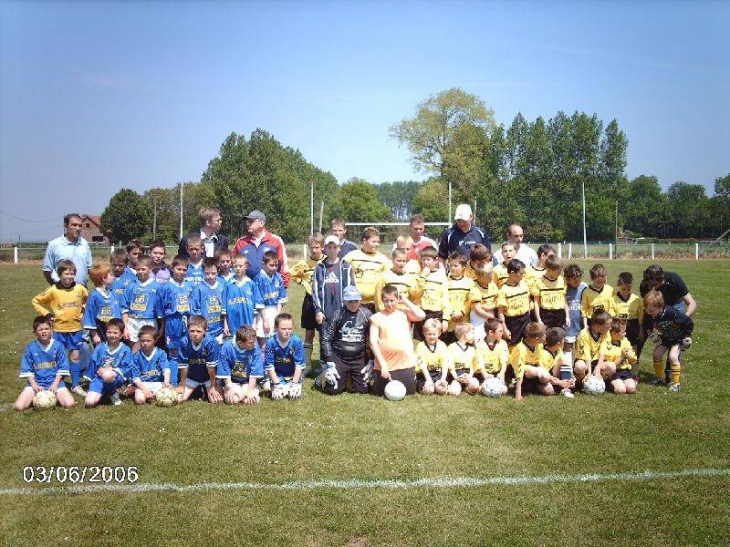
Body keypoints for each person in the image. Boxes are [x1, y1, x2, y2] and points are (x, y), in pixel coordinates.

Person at [32, 259, 89, 396]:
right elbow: (36, 301)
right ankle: (53, 383)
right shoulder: (53, 290)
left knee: (75, 357)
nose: (69, 277)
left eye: (72, 274)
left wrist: (82, 311)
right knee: (56, 358)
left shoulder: (80, 288)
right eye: (66, 274)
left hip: (75, 329)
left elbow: (88, 300)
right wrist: (47, 314)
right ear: (59, 274)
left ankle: (75, 385)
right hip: (58, 330)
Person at [369, 284, 425, 397]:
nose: (389, 304)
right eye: (386, 301)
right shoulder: (377, 317)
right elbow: (372, 343)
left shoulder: (404, 313)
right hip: (385, 365)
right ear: (382, 301)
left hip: (405, 363)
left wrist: (406, 301)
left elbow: (421, 315)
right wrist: (383, 365)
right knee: (381, 392)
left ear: (397, 300)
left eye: (392, 300)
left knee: (409, 391)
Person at [312, 235, 356, 366]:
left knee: (342, 336)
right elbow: (315, 291)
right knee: (325, 337)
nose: (332, 250)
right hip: (326, 311)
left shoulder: (346, 267)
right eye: (329, 247)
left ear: (339, 248)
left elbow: (351, 288)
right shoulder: (320, 268)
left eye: (335, 247)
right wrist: (318, 310)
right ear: (325, 249)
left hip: (342, 309)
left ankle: (341, 363)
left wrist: (349, 308)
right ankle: (324, 364)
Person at [14, 316, 76, 410]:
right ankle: (36, 397)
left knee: (70, 404)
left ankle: (54, 397)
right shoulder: (31, 348)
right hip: (37, 383)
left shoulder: (58, 346)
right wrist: (34, 386)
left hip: (55, 383)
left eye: (47, 329)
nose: (44, 331)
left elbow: (62, 367)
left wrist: (55, 385)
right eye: (40, 329)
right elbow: (27, 369)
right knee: (19, 407)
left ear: (52, 330)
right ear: (35, 332)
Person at [320, 286, 373, 395]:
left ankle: (349, 379)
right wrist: (330, 361)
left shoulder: (367, 314)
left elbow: (374, 339)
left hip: (359, 358)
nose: (354, 304)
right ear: (343, 300)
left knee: (363, 390)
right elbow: (327, 338)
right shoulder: (338, 314)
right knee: (333, 390)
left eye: (356, 301)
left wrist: (371, 360)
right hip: (340, 357)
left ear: (360, 300)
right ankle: (321, 377)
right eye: (350, 301)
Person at [643, 290, 694, 392]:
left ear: (660, 307)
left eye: (652, 310)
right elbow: (647, 325)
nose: (649, 312)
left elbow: (688, 322)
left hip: (677, 338)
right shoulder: (649, 313)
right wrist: (651, 334)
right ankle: (659, 378)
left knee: (673, 357)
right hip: (665, 337)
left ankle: (676, 383)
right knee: (656, 354)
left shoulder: (671, 313)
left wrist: (686, 337)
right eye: (647, 310)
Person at [289, 233, 326, 374]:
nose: (314, 250)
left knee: (325, 334)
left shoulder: (327, 262)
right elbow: (291, 273)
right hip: (310, 301)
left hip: (324, 301)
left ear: (322, 247)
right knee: (309, 333)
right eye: (312, 247)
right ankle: (308, 366)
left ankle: (324, 365)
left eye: (317, 247)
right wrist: (301, 282)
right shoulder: (304, 264)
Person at [158, 255, 193, 385]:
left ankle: (187, 380)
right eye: (179, 269)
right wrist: (163, 325)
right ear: (172, 269)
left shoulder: (190, 285)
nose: (181, 272)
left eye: (184, 270)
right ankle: (172, 382)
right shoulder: (166, 287)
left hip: (188, 322)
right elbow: (160, 308)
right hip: (173, 322)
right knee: (173, 352)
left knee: (187, 350)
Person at [83, 318, 133, 407]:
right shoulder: (100, 348)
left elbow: (127, 368)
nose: (111, 335)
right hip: (99, 378)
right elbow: (94, 364)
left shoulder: (125, 350)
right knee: (89, 402)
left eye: (115, 333)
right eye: (109, 332)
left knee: (108, 375)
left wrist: (112, 371)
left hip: (115, 379)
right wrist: (100, 371)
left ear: (121, 335)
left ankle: (113, 392)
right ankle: (105, 393)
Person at [233, 209, 290, 286]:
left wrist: (284, 284)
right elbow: (233, 264)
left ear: (261, 223)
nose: (247, 224)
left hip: (270, 288)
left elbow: (283, 265)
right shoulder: (240, 242)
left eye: (251, 221)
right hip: (247, 289)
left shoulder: (276, 240)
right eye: (247, 221)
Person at [343, 226, 392, 312]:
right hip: (355, 303)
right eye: (373, 241)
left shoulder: (383, 259)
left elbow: (391, 276)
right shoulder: (351, 256)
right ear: (364, 241)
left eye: (378, 242)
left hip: (375, 304)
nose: (376, 244)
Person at [121, 256, 163, 353]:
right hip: (133, 321)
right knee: (134, 350)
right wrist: (125, 327)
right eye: (138, 269)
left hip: (149, 321)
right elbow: (124, 308)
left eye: (143, 269)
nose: (141, 271)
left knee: (148, 349)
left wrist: (162, 328)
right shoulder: (131, 286)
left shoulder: (157, 287)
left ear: (150, 269)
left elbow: (161, 311)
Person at [177, 315, 222, 403]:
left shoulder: (211, 343)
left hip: (208, 378)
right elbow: (184, 366)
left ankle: (209, 388)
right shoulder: (184, 342)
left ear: (205, 331)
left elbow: (211, 369)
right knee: (179, 399)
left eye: (198, 331)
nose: (195, 334)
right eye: (192, 331)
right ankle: (197, 390)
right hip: (192, 377)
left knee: (216, 400)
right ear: (188, 330)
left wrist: (213, 386)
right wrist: (182, 385)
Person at [218, 325, 264, 405]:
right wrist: (230, 386)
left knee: (251, 401)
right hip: (232, 382)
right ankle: (230, 390)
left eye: (255, 341)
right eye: (251, 343)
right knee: (233, 400)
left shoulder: (255, 347)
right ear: (240, 343)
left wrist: (250, 390)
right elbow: (224, 370)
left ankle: (253, 389)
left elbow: (255, 371)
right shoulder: (227, 347)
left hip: (248, 381)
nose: (254, 344)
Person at [412, 246, 450, 341]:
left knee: (436, 340)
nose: (425, 262)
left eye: (428, 260)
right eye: (423, 259)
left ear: (436, 260)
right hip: (422, 313)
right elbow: (415, 293)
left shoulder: (441, 275)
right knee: (419, 341)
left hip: (437, 313)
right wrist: (423, 277)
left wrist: (445, 319)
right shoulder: (418, 274)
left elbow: (445, 297)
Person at [43, 213, 92, 286]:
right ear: (65, 226)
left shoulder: (84, 244)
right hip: (62, 291)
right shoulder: (54, 245)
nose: (78, 228)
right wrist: (56, 286)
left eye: (80, 226)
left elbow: (89, 268)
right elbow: (47, 271)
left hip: (81, 290)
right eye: (74, 225)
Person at [265, 313, 306, 400]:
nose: (287, 331)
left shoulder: (297, 341)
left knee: (294, 395)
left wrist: (294, 383)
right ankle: (275, 383)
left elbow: (299, 366)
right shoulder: (270, 342)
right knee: (278, 396)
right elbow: (270, 366)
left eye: (290, 328)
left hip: (293, 374)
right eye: (283, 329)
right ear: (276, 328)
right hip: (278, 375)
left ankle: (296, 383)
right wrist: (276, 384)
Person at [222, 254, 262, 339]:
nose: (238, 268)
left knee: (247, 342)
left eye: (240, 266)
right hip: (232, 322)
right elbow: (224, 308)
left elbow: (256, 306)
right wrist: (225, 325)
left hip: (248, 320)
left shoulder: (251, 284)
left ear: (246, 266)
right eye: (235, 266)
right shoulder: (228, 284)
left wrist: (254, 323)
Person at [254, 251, 288, 350]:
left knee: (275, 342)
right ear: (263, 264)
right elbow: (259, 302)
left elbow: (280, 300)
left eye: (276, 265)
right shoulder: (259, 279)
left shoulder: (278, 277)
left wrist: (277, 317)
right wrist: (265, 321)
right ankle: (264, 364)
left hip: (275, 311)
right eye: (271, 265)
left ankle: (273, 364)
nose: (274, 268)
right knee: (264, 345)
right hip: (263, 313)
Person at [593, 319, 637, 395]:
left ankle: (625, 382)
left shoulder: (625, 341)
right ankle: (608, 383)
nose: (625, 334)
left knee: (631, 389)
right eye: (623, 332)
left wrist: (629, 356)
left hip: (625, 371)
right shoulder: (607, 343)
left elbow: (633, 360)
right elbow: (612, 365)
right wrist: (622, 357)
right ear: (615, 333)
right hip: (613, 373)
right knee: (621, 390)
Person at [444, 251, 479, 344]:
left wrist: (462, 312)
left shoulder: (470, 283)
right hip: (449, 323)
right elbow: (444, 300)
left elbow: (470, 301)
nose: (452, 268)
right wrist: (451, 313)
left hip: (464, 321)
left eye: (455, 266)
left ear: (463, 266)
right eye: (450, 265)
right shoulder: (445, 282)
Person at [130, 325, 171, 404]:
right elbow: (135, 377)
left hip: (158, 383)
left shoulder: (161, 353)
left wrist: (166, 382)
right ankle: (149, 395)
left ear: (155, 340)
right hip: (143, 383)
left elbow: (166, 369)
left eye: (148, 340)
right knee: (140, 400)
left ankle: (154, 395)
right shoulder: (136, 356)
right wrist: (144, 390)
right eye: (142, 340)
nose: (145, 343)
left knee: (167, 396)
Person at [83, 263, 121, 344]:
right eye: (111, 275)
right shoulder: (94, 295)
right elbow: (90, 315)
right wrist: (94, 335)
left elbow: (117, 311)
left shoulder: (112, 293)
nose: (113, 277)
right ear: (104, 278)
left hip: (113, 330)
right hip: (101, 329)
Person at [467, 244, 498, 341]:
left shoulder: (492, 284)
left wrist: (490, 307)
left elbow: (498, 298)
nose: (491, 277)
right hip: (479, 319)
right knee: (479, 337)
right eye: (489, 276)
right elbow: (478, 309)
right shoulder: (475, 288)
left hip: (490, 315)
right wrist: (492, 316)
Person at [509, 322, 547, 401]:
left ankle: (531, 386)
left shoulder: (539, 344)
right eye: (544, 334)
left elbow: (539, 360)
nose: (545, 336)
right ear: (537, 338)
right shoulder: (521, 349)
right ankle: (519, 386)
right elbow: (519, 370)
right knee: (532, 370)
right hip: (518, 372)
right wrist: (518, 394)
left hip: (533, 370)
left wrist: (545, 373)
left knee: (548, 389)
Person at [573, 309, 613, 385]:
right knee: (580, 366)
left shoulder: (606, 333)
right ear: (598, 326)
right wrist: (589, 373)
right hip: (584, 361)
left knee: (611, 367)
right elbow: (586, 354)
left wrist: (597, 369)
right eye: (608, 325)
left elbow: (603, 352)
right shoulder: (584, 334)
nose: (610, 328)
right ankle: (580, 383)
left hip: (597, 362)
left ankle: (601, 383)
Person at [496, 259, 531, 345]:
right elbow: (500, 313)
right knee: (514, 345)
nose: (523, 275)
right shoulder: (504, 290)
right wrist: (504, 329)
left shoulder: (523, 284)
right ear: (512, 273)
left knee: (528, 343)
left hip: (525, 319)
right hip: (512, 322)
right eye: (521, 273)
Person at [191, 257, 226, 342]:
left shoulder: (223, 285)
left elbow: (227, 307)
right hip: (205, 331)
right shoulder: (198, 289)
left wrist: (226, 325)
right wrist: (200, 328)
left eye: (213, 273)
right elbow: (195, 311)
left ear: (218, 271)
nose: (210, 276)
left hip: (221, 329)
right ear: (202, 272)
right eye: (207, 273)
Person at [612, 272, 644, 362]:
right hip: (619, 327)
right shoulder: (613, 299)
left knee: (633, 350)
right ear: (618, 285)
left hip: (633, 327)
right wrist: (617, 318)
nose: (626, 291)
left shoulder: (636, 299)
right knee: (619, 348)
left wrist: (641, 329)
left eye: (628, 289)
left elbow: (640, 315)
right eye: (623, 289)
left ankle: (634, 372)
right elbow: (611, 313)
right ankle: (620, 368)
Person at [414, 318, 452, 394]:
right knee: (429, 390)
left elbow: (445, 363)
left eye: (434, 334)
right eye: (429, 334)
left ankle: (437, 385)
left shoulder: (442, 345)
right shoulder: (420, 346)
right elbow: (423, 365)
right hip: (424, 374)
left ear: (439, 334)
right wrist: (428, 380)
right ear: (424, 333)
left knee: (442, 390)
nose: (431, 336)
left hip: (438, 374)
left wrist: (443, 379)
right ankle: (425, 386)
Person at [531, 255, 568, 329]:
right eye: (558, 272)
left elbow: (564, 299)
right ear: (549, 270)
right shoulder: (539, 282)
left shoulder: (561, 280)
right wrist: (539, 319)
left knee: (559, 335)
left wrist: (567, 316)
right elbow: (536, 303)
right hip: (546, 314)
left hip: (559, 314)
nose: (560, 274)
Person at [475, 318, 509, 394]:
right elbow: (480, 362)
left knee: (504, 390)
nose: (502, 333)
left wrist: (501, 373)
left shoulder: (502, 343)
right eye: (500, 331)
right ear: (491, 332)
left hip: (497, 374)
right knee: (479, 387)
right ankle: (482, 387)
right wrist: (485, 374)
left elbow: (504, 361)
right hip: (484, 374)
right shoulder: (480, 344)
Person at [563, 263, 587, 369]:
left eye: (579, 280)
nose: (578, 283)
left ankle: (579, 372)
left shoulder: (584, 287)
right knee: (568, 348)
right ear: (568, 280)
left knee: (581, 348)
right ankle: (568, 373)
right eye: (575, 281)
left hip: (581, 325)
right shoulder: (564, 288)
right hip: (569, 325)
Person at [541, 326, 575, 398]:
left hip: (553, 376)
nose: (564, 341)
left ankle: (566, 389)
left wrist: (571, 377)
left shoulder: (558, 349)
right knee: (548, 390)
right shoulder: (544, 354)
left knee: (564, 361)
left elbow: (564, 363)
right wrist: (560, 382)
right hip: (542, 379)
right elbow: (543, 376)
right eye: (563, 339)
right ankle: (562, 387)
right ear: (559, 343)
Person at [446, 322, 480, 394]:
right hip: (455, 375)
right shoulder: (451, 347)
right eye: (472, 333)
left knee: (475, 386)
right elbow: (450, 364)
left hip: (468, 375)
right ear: (465, 334)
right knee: (455, 392)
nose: (474, 336)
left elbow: (474, 365)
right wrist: (456, 377)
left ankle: (466, 387)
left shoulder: (472, 349)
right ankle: (453, 386)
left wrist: (470, 376)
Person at [581, 263, 615, 328]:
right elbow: (584, 309)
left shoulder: (610, 289)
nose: (602, 284)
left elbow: (613, 306)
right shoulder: (586, 292)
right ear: (592, 278)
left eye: (604, 281)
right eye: (599, 282)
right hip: (592, 321)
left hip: (607, 321)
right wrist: (585, 325)